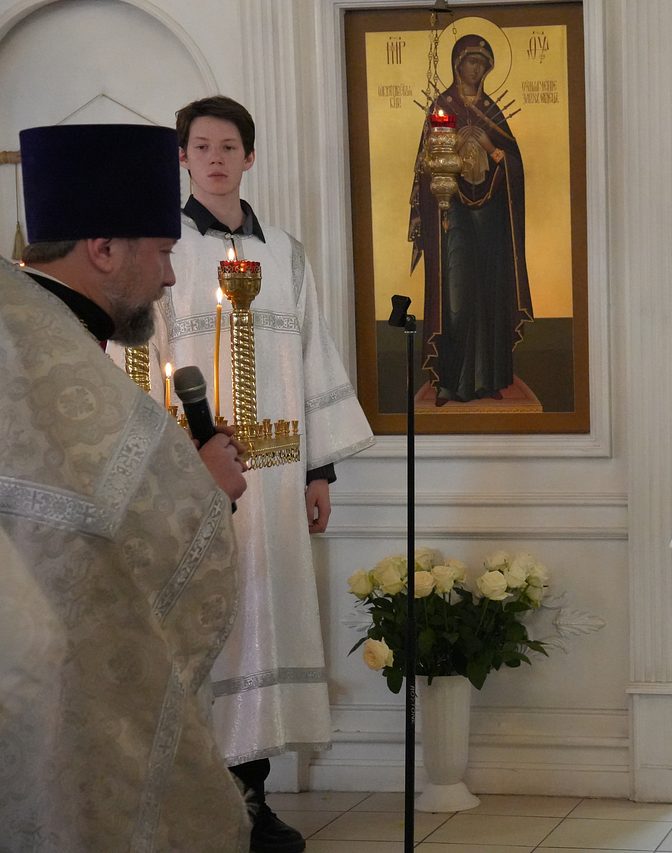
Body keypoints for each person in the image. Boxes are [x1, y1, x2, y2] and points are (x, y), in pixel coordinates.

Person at [0, 123, 249, 851]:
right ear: (104, 248)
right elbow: (89, 556)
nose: (170, 278)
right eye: (163, 252)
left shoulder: (30, 332)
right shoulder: (46, 356)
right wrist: (203, 487)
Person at [156, 95, 374, 853]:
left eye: (229, 146)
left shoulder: (284, 252)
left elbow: (313, 355)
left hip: (278, 480)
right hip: (196, 478)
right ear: (183, 157)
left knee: (265, 625)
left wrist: (320, 472)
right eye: (201, 146)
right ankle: (204, 800)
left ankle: (252, 798)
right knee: (208, 627)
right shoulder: (166, 250)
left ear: (250, 157)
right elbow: (147, 358)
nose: (215, 159)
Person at [408, 34, 533, 405]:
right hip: (453, 216)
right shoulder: (442, 107)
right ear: (456, 64)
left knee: (489, 293)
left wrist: (491, 146)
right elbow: (424, 167)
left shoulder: (492, 112)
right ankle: (449, 382)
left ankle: (487, 380)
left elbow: (514, 166)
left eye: (482, 63)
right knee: (456, 296)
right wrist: (456, 145)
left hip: (491, 218)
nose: (476, 69)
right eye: (470, 62)